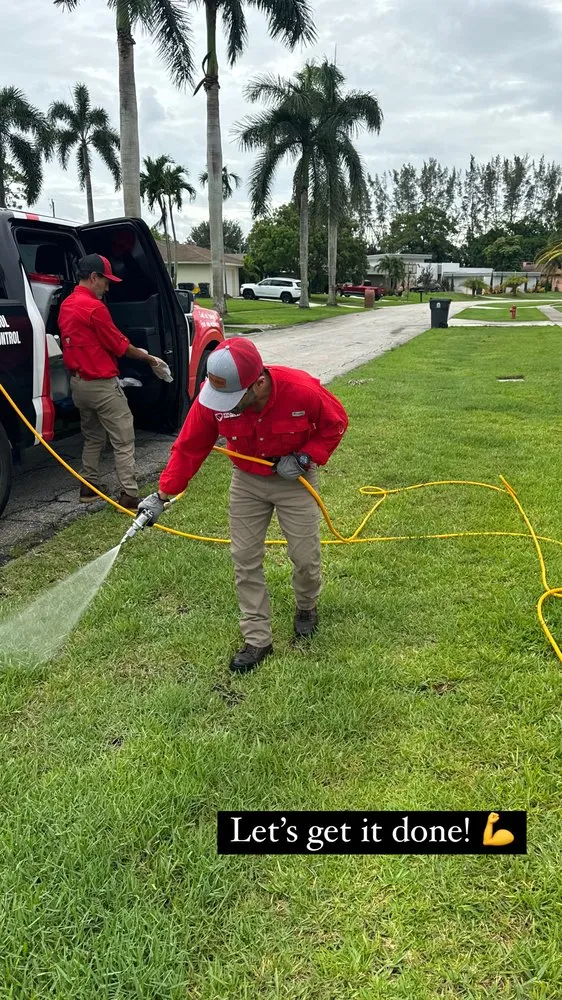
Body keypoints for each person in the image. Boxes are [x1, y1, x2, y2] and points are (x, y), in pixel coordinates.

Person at [138, 338, 349, 673]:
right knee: (245, 559)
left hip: (294, 480)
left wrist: (305, 457)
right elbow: (189, 447)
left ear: (259, 383)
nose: (226, 406)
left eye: (234, 399)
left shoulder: (301, 390)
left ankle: (306, 605)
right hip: (247, 481)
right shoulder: (214, 397)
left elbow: (335, 423)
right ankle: (257, 638)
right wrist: (162, 496)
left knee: (305, 557)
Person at [58, 253, 160, 509]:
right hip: (102, 385)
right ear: (94, 277)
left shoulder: (67, 305)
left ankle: (88, 487)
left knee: (93, 436)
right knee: (123, 439)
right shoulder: (94, 308)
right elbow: (119, 345)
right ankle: (129, 494)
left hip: (78, 384)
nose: (107, 287)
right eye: (106, 281)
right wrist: (150, 359)